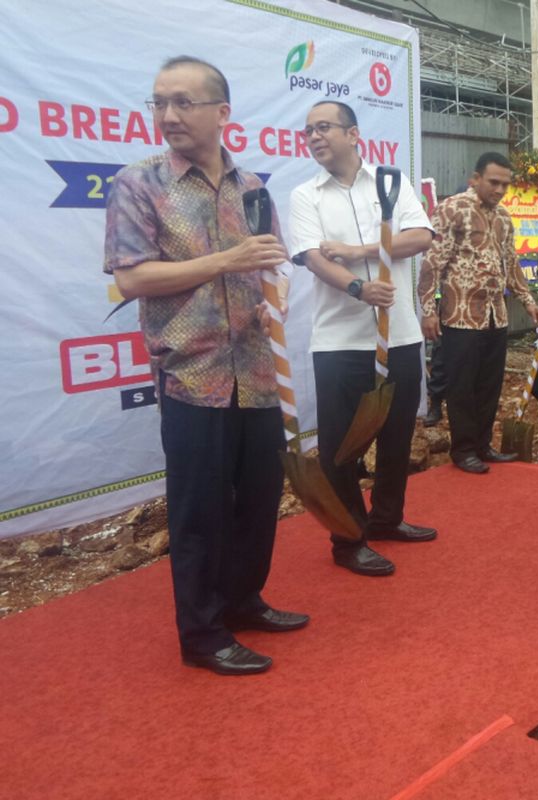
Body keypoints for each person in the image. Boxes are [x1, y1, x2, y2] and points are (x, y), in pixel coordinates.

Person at [104, 56, 305, 676]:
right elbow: (132, 278)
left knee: (259, 498)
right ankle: (202, 633)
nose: (168, 116)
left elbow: (269, 261)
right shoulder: (140, 184)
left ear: (222, 113)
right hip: (193, 376)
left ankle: (243, 601)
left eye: (183, 102)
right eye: (158, 102)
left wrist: (277, 282)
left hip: (259, 372)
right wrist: (226, 261)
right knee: (199, 511)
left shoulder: (253, 189)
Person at [289, 101, 437, 578]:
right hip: (338, 341)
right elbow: (311, 257)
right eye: (308, 130)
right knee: (340, 446)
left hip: (401, 335)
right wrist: (359, 286)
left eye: (324, 127)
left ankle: (388, 518)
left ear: (353, 135)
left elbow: (421, 236)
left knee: (396, 434)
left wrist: (362, 251)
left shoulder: (390, 183)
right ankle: (349, 539)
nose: (314, 137)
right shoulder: (305, 195)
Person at [418, 152, 538, 474]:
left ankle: (483, 444)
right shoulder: (452, 208)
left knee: (490, 384)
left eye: (505, 184)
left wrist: (528, 301)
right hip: (461, 314)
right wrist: (429, 310)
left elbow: (511, 263)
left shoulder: (504, 217)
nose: (500, 190)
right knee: (461, 384)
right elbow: (432, 264)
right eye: (494, 182)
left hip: (495, 315)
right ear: (475, 179)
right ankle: (462, 450)